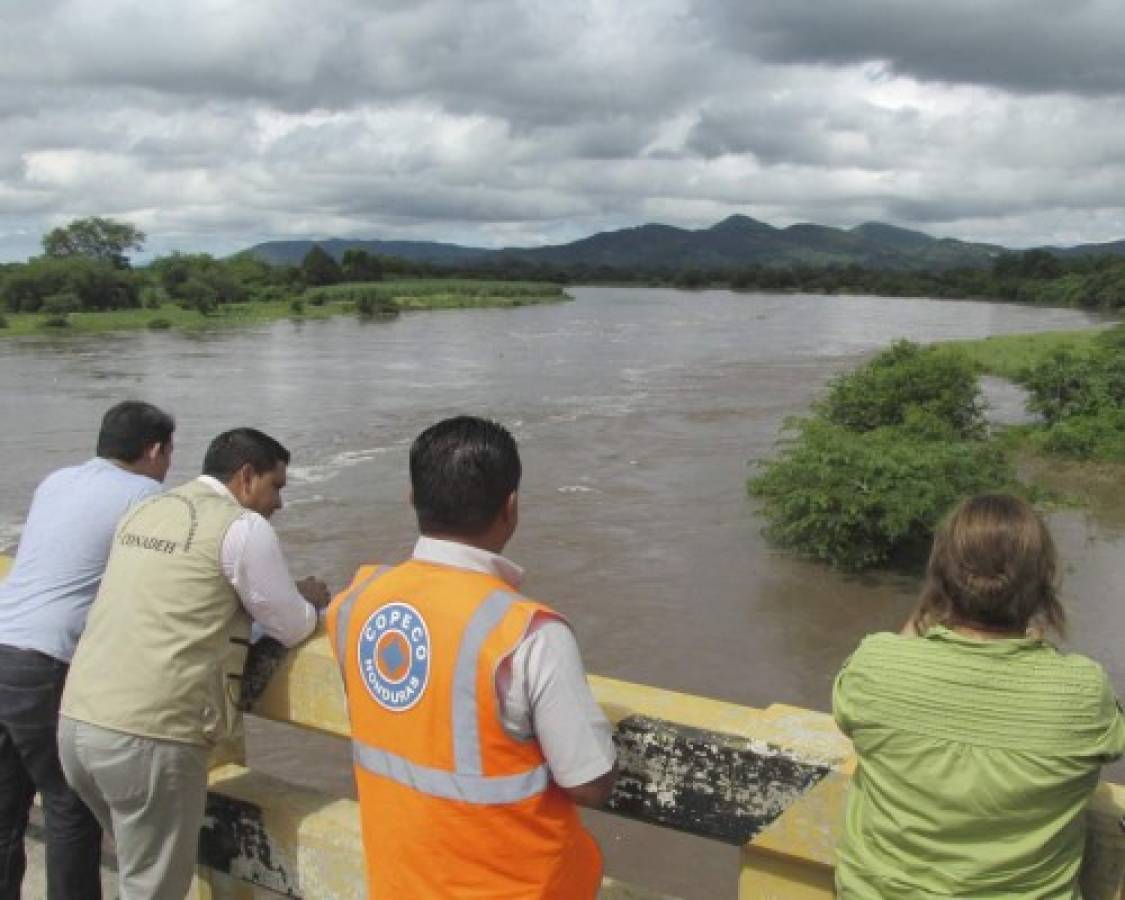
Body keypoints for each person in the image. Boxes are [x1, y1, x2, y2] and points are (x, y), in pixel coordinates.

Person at [327, 415, 617, 899]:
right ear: (511, 507)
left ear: (412, 499)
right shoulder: (528, 633)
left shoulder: (357, 602)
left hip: (400, 884)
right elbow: (588, 782)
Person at [57, 427, 331, 900]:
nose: (279, 503)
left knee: (137, 871)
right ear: (247, 477)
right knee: (153, 888)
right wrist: (307, 598)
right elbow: (292, 626)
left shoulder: (148, 509)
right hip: (149, 738)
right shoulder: (242, 527)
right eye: (277, 486)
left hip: (77, 727)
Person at [833, 493, 1125, 899]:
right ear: (1044, 586)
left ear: (939, 578)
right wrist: (1034, 650)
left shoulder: (875, 666)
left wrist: (927, 609)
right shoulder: (1083, 691)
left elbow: (849, 710)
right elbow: (1109, 743)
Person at [0, 400, 174, 900]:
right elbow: (165, 579)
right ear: (155, 450)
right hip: (46, 659)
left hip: (5, 642)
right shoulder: (145, 495)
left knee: (6, 805)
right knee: (69, 805)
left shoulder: (56, 481)